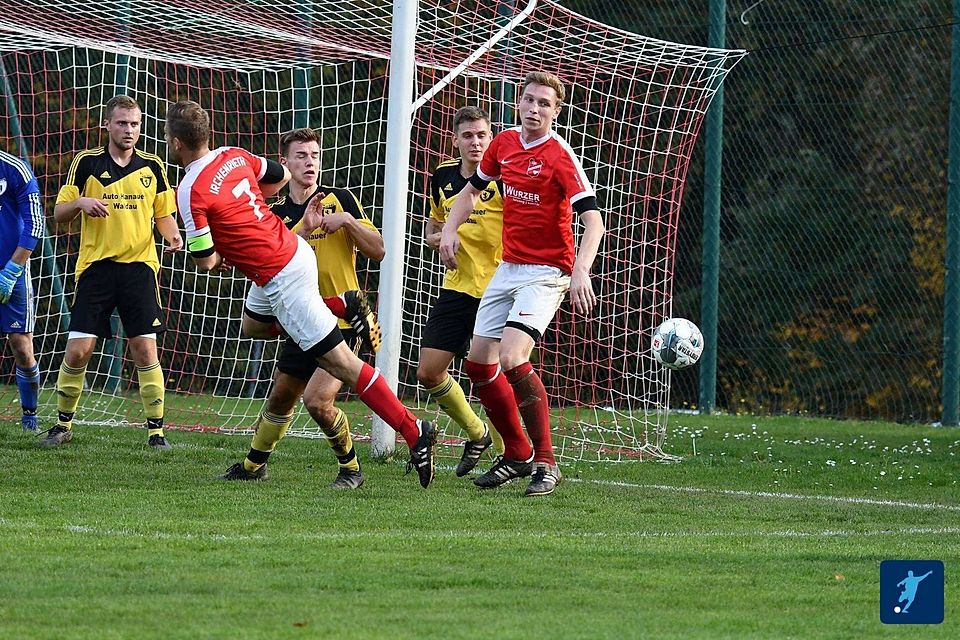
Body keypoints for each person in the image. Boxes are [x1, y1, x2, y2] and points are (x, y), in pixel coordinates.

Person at [165, 101, 436, 486]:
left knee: (344, 366)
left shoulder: (189, 191)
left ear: (176, 143)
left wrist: (210, 246)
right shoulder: (233, 155)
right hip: (291, 253)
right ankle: (339, 304)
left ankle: (413, 431)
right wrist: (245, 219)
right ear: (207, 133)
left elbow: (207, 261)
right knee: (254, 326)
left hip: (282, 278)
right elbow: (273, 178)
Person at [440, 72, 605, 496]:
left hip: (548, 271)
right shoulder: (504, 144)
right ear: (518, 103)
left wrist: (581, 270)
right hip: (508, 267)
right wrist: (450, 230)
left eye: (544, 103)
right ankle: (516, 452)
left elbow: (593, 222)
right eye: (529, 100)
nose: (534, 109)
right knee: (478, 363)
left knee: (512, 356)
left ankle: (546, 463)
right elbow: (471, 192)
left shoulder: (560, 156)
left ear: (556, 110)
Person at [44, 95, 183, 449]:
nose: (129, 130)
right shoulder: (86, 163)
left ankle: (156, 432)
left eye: (134, 124)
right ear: (107, 125)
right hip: (96, 269)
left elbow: (163, 214)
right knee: (78, 351)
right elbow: (59, 212)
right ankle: (62, 426)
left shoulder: (152, 166)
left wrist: (173, 236)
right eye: (122, 123)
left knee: (144, 350)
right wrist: (80, 203)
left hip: (139, 268)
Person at [263, 126, 385, 489]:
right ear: (284, 163)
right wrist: (303, 229)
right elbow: (269, 260)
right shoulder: (276, 212)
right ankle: (253, 466)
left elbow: (378, 250)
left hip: (344, 321)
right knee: (281, 398)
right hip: (300, 320)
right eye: (301, 156)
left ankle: (351, 469)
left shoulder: (340, 199)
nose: (309, 162)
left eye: (315, 155)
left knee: (317, 401)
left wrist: (347, 221)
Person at [418, 106, 506, 476]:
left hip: (500, 288)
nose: (475, 142)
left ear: (491, 138)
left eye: (482, 135)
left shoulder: (506, 177)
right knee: (429, 371)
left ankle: (512, 452)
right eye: (468, 135)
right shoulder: (442, 176)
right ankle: (477, 433)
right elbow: (431, 229)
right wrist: (441, 240)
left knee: (493, 373)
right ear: (455, 140)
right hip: (458, 287)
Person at [0, 150, 44, 432]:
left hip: (11, 270)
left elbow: (35, 223)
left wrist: (12, 270)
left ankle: (30, 416)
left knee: (21, 345)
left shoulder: (15, 168)